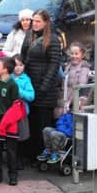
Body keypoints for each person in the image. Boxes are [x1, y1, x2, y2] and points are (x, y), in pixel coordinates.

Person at [20, 9, 63, 160]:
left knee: (43, 123)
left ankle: (43, 152)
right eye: (34, 21)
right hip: (30, 85)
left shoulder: (52, 39)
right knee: (31, 121)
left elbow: (54, 65)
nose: (35, 24)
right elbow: (23, 57)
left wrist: (44, 86)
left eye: (38, 21)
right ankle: (30, 153)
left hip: (45, 89)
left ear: (46, 22)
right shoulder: (29, 36)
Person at [0, 57, 20, 186]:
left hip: (8, 122)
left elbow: (15, 106)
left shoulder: (12, 84)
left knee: (11, 150)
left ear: (5, 70)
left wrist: (8, 120)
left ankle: (13, 175)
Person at [11, 54, 35, 170]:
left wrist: (19, 91)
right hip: (9, 113)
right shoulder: (8, 77)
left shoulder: (26, 79)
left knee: (21, 137)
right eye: (15, 65)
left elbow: (31, 96)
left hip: (22, 113)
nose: (18, 68)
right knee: (11, 137)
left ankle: (20, 160)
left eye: (21, 65)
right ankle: (12, 159)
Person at [62, 42, 92, 114]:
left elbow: (80, 85)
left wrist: (70, 101)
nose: (74, 56)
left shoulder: (84, 67)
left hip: (76, 101)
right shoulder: (68, 66)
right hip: (65, 99)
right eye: (72, 53)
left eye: (76, 54)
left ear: (82, 55)